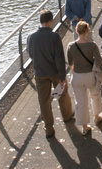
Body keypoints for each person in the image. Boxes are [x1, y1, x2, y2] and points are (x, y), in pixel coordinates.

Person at [27, 10, 74, 138]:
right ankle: (67, 116)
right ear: (50, 21)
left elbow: (30, 54)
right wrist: (62, 76)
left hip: (40, 72)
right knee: (62, 94)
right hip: (54, 72)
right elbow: (59, 58)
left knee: (44, 100)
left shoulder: (31, 37)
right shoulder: (54, 37)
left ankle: (49, 128)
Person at [67, 21, 102, 135]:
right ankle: (97, 116)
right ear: (87, 31)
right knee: (95, 96)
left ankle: (85, 126)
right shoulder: (92, 45)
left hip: (77, 77)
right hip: (90, 76)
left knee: (80, 102)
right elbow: (99, 63)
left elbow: (70, 62)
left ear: (76, 31)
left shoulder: (71, 46)